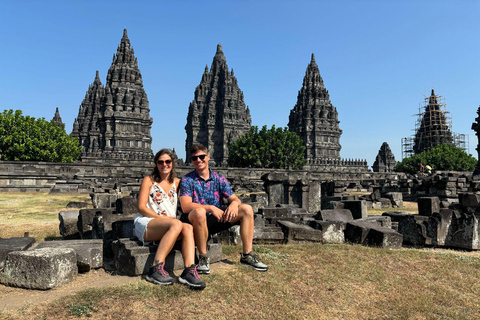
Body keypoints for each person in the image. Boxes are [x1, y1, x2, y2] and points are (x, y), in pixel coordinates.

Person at [179, 143, 268, 274]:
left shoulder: (218, 179)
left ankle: (247, 255)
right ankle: (203, 257)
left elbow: (235, 199)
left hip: (216, 219)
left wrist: (233, 204)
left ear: (208, 157)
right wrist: (211, 208)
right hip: (195, 220)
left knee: (246, 209)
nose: (198, 160)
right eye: (194, 158)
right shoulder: (187, 180)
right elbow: (186, 206)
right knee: (200, 212)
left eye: (201, 156)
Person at [134, 149, 205, 290]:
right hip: (148, 223)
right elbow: (141, 207)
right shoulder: (149, 181)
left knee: (188, 227)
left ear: (173, 163)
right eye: (161, 162)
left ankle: (189, 270)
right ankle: (155, 268)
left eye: (168, 161)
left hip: (171, 226)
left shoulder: (178, 183)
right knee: (176, 223)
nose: (164, 164)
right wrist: (161, 219)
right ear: (156, 164)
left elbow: (192, 194)